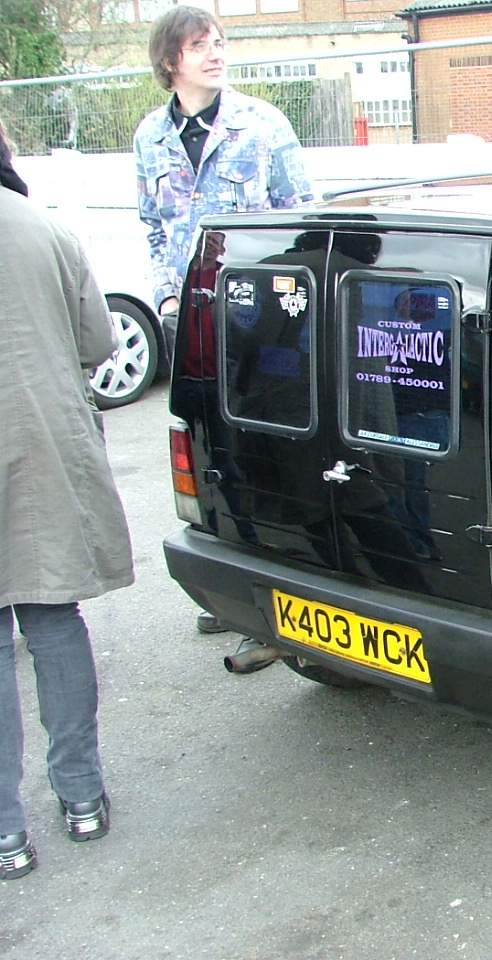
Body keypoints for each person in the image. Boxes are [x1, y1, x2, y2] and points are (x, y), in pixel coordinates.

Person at [134, 4, 313, 635]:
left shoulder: (262, 125)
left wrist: (288, 313)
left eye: (219, 41)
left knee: (276, 445)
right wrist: (167, 300)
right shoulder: (150, 138)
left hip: (264, 324)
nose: (216, 52)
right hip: (197, 325)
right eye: (200, 45)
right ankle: (232, 585)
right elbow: (155, 229)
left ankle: (286, 585)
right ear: (170, 60)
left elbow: (303, 219)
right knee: (209, 447)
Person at [0, 119, 134, 880]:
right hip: (44, 446)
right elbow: (95, 342)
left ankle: (6, 834)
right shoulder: (45, 231)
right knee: (53, 619)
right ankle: (82, 798)